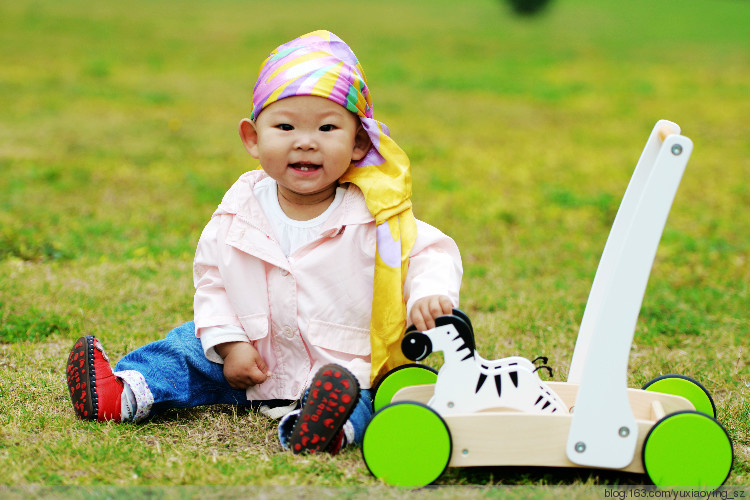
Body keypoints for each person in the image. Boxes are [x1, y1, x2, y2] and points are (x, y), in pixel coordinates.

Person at [66, 30, 462, 455]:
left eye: (328, 127)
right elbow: (213, 281)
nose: (305, 140)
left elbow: (428, 252)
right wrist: (230, 342)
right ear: (253, 138)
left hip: (343, 363)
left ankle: (322, 426)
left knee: (371, 394)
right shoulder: (239, 210)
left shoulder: (374, 214)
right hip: (254, 359)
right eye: (285, 126)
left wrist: (429, 292)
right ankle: (123, 394)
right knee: (187, 347)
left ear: (359, 142)